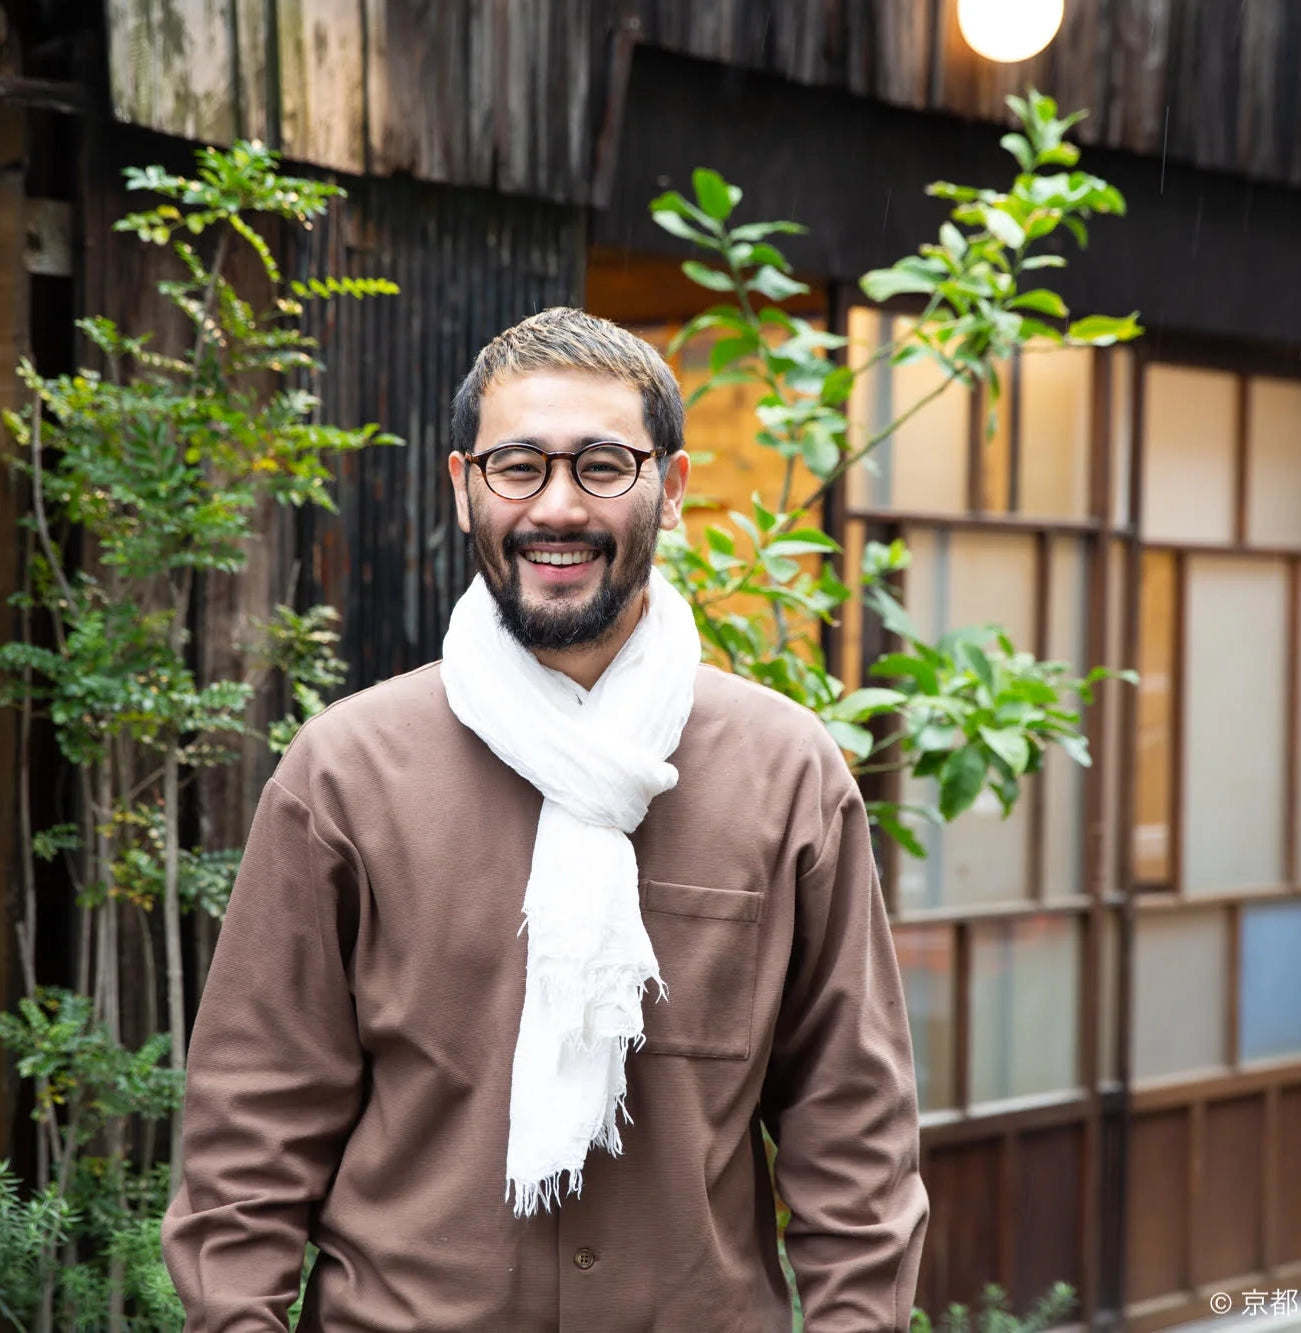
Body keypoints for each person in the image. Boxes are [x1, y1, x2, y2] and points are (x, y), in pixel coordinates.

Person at [162, 307, 927, 1331]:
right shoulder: (344, 773)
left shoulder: (785, 772)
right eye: (517, 467)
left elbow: (854, 1134)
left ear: (672, 488)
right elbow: (250, 1131)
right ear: (463, 487)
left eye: (603, 466)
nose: (557, 506)